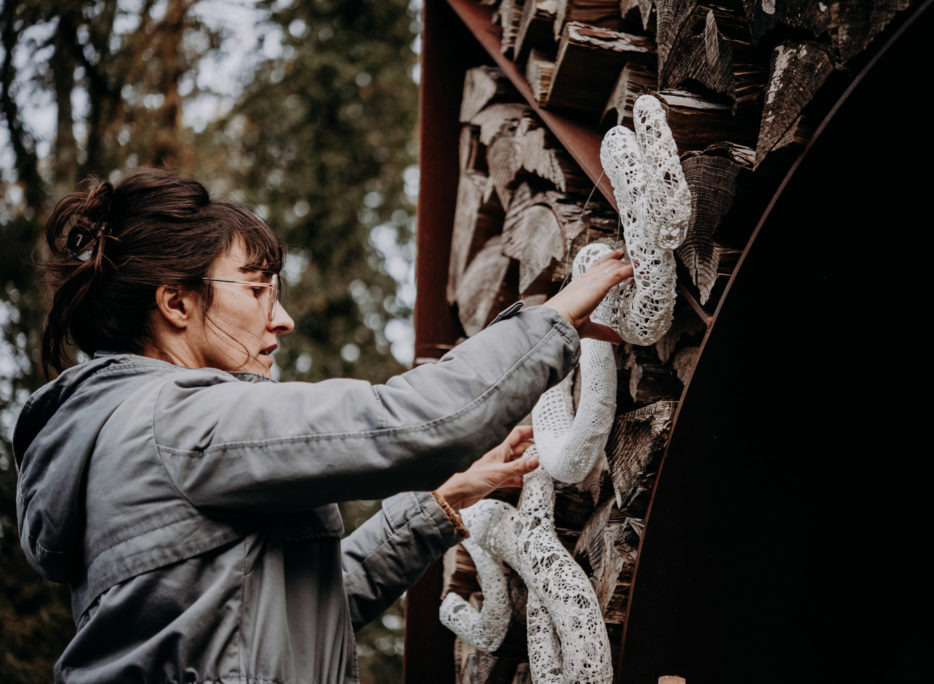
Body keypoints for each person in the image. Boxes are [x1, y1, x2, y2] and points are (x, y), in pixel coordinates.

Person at [13, 168, 633, 683]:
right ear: (176, 303)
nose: (282, 318)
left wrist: (439, 504)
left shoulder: (129, 433)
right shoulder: (177, 419)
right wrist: (550, 321)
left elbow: (297, 614)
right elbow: (413, 422)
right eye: (257, 289)